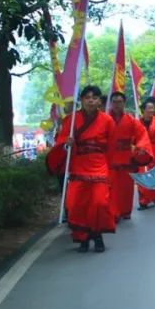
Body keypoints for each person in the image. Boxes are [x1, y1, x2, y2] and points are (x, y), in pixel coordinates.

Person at [46, 85, 117, 252]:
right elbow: (61, 142)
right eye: (87, 97)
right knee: (76, 204)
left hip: (99, 165)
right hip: (79, 165)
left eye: (94, 97)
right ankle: (83, 237)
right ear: (82, 100)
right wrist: (66, 144)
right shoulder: (71, 120)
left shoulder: (107, 120)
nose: (91, 101)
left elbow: (112, 146)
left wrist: (109, 167)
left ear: (99, 101)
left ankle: (97, 234)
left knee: (99, 203)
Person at [106, 91, 152, 222]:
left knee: (126, 188)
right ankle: (113, 212)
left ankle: (125, 210)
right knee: (112, 189)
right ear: (111, 103)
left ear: (124, 103)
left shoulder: (131, 120)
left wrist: (142, 148)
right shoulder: (104, 119)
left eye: (119, 102)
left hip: (126, 159)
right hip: (110, 159)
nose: (117, 105)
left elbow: (142, 135)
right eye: (114, 102)